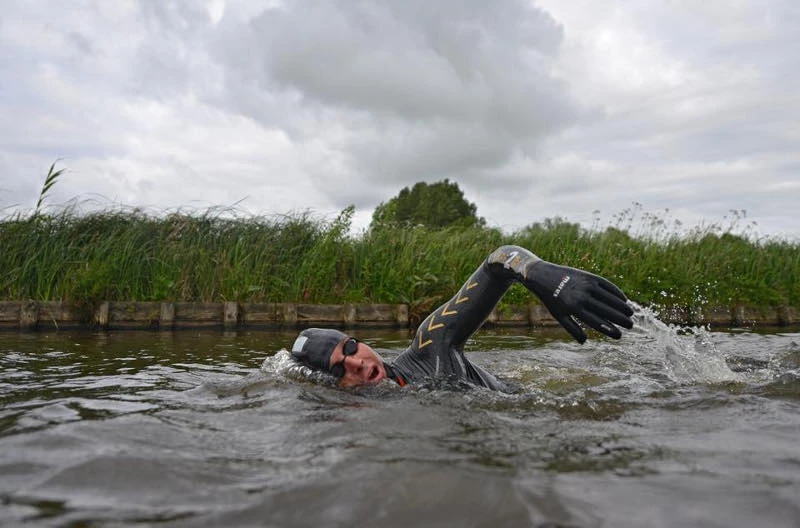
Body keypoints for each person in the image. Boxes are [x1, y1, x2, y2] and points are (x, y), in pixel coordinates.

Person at [290, 245, 634, 390]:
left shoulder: (431, 346)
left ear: (359, 341)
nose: (357, 365)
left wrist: (541, 275)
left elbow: (499, 260)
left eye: (350, 349)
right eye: (338, 370)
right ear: (333, 388)